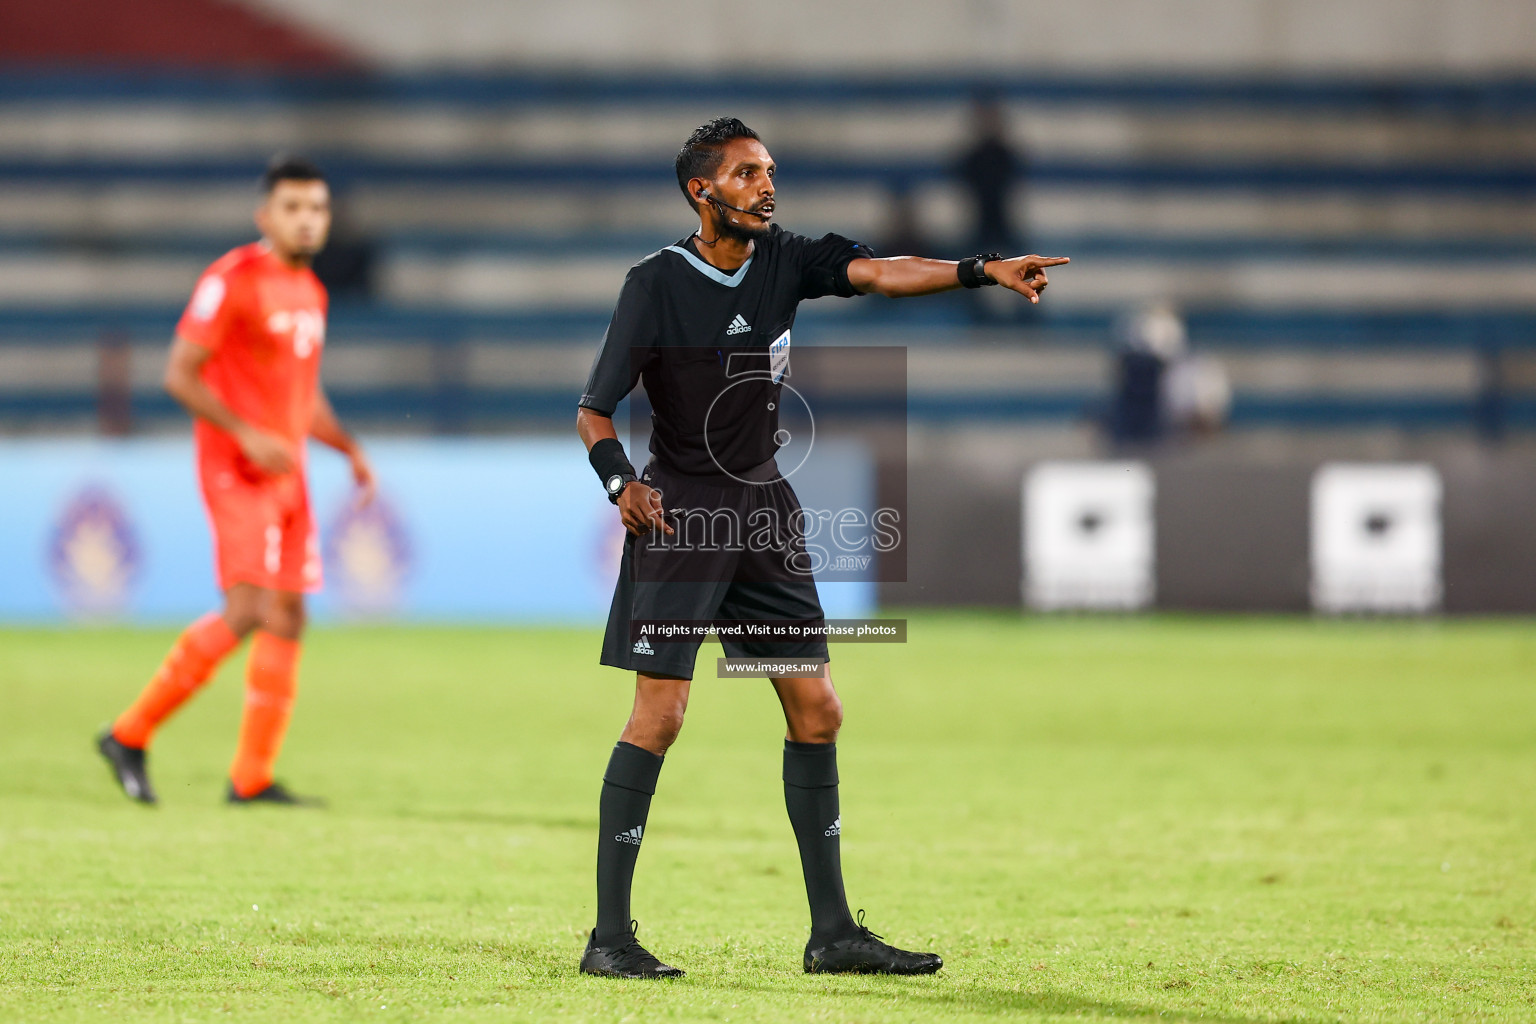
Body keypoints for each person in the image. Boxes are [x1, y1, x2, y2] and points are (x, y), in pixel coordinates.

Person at [574, 117, 1067, 978]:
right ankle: (609, 939)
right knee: (662, 716)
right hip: (684, 519)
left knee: (819, 711)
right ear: (702, 191)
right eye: (747, 173)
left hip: (765, 514)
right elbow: (593, 410)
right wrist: (623, 484)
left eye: (770, 171)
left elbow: (879, 273)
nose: (767, 185)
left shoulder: (785, 259)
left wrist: (977, 270)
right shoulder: (653, 283)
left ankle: (832, 934)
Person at [96, 155, 375, 807]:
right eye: (294, 208)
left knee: (290, 613)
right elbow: (179, 374)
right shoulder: (232, 279)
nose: (308, 220)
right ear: (265, 216)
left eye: (318, 209)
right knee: (248, 608)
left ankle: (250, 777)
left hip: (289, 471)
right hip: (236, 468)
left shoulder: (311, 292)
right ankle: (129, 733)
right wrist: (244, 431)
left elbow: (301, 396)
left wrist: (347, 448)